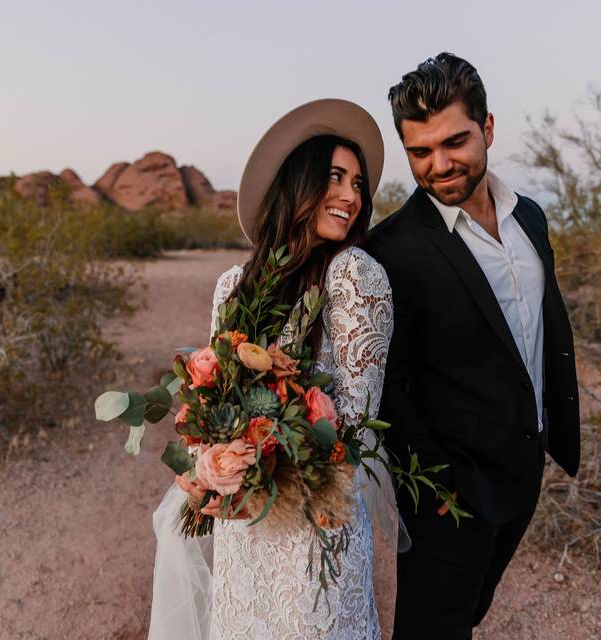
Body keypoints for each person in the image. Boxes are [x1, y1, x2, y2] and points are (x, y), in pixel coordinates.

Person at [148, 99, 397, 640]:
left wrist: (262, 444)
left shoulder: (355, 276)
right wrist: (212, 459)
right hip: (243, 524)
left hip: (315, 527)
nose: (351, 196)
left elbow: (351, 426)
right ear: (299, 184)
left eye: (358, 184)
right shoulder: (232, 286)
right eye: (336, 177)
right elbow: (211, 394)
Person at [364, 53, 581, 639]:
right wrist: (440, 490)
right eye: (420, 152)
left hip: (525, 469)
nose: (439, 165)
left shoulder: (530, 218)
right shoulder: (391, 251)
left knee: (473, 610)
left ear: (487, 128)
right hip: (450, 498)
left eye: (454, 142)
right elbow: (389, 388)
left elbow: (538, 337)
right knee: (430, 628)